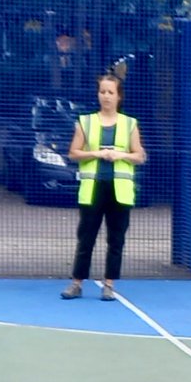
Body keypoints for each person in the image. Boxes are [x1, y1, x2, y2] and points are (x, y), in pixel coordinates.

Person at [60, 70, 146, 301]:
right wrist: (95, 153)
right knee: (86, 237)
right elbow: (73, 153)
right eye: (102, 92)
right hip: (93, 188)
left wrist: (121, 156)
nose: (106, 96)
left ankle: (109, 284)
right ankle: (76, 283)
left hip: (119, 190)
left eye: (110, 92)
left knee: (116, 239)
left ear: (119, 96)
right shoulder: (85, 122)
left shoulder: (130, 124)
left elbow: (140, 155)